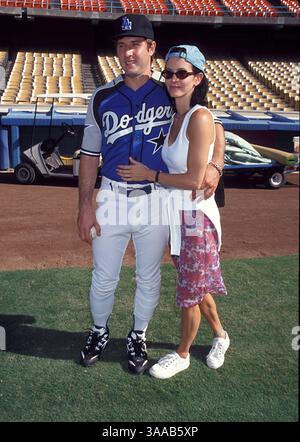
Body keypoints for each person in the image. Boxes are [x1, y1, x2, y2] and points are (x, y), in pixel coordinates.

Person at [78, 14, 224, 375]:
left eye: (136, 45)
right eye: (122, 45)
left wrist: (215, 165)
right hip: (111, 196)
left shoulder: (169, 90)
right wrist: (84, 205)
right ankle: (99, 331)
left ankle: (138, 335)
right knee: (104, 275)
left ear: (151, 49)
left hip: (156, 198)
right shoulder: (102, 96)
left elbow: (214, 123)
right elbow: (88, 155)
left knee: (149, 277)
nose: (128, 52)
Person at [117, 44, 229, 379]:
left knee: (189, 292)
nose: (174, 79)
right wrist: (218, 159)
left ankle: (181, 354)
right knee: (196, 285)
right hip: (176, 219)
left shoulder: (199, 116)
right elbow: (219, 129)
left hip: (196, 219)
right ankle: (221, 336)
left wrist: (151, 174)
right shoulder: (175, 115)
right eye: (169, 73)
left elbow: (195, 178)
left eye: (182, 73)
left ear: (198, 78)